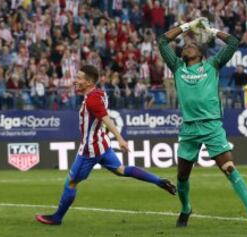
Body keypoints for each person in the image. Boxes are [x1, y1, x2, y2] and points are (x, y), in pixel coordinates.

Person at [35, 65, 176, 225]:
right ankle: (158, 181)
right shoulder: (100, 93)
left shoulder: (92, 100)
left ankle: (57, 218)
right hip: (102, 143)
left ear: (88, 82)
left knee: (72, 182)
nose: (76, 80)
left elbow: (106, 119)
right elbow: (94, 103)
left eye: (80, 78)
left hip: (90, 149)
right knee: (121, 170)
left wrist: (120, 139)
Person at [158, 17, 247, 229]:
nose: (187, 46)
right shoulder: (177, 67)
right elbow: (162, 41)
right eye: (185, 45)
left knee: (229, 169)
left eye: (192, 44)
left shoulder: (212, 65)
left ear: (201, 53)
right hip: (189, 128)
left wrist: (210, 30)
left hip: (212, 126)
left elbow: (233, 43)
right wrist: (187, 26)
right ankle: (186, 207)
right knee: (182, 176)